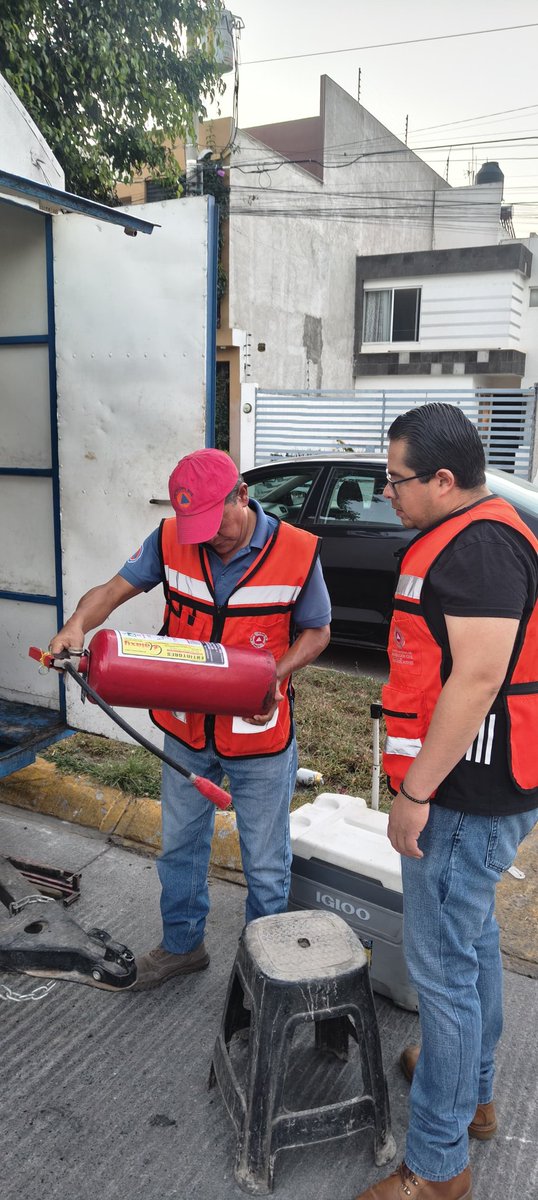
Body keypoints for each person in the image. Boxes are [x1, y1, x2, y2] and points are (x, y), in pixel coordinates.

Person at [50, 449, 331, 990]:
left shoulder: (296, 550)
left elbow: (317, 631)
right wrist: (75, 626)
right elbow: (112, 590)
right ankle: (183, 946)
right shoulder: (171, 537)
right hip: (185, 731)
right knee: (179, 847)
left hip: (258, 737)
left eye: (216, 522)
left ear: (242, 496)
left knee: (267, 867)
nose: (207, 537)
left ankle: (263, 977)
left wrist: (278, 673)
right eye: (194, 525)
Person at [354, 404, 538, 1200]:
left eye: (395, 480)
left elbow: (476, 680)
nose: (385, 493)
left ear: (442, 478)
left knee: (444, 972)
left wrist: (416, 792)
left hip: (464, 795)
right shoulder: (476, 533)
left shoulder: (481, 549)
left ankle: (436, 1167)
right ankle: (474, 1092)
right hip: (480, 791)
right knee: (471, 945)